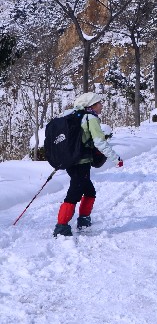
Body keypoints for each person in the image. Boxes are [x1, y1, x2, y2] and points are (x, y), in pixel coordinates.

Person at [53, 92, 123, 237]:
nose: (101, 106)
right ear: (92, 105)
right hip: (81, 161)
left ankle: (84, 220)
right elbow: (99, 142)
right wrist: (116, 158)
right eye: (99, 103)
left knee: (89, 191)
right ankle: (61, 226)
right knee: (75, 192)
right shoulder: (91, 118)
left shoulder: (72, 115)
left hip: (70, 161)